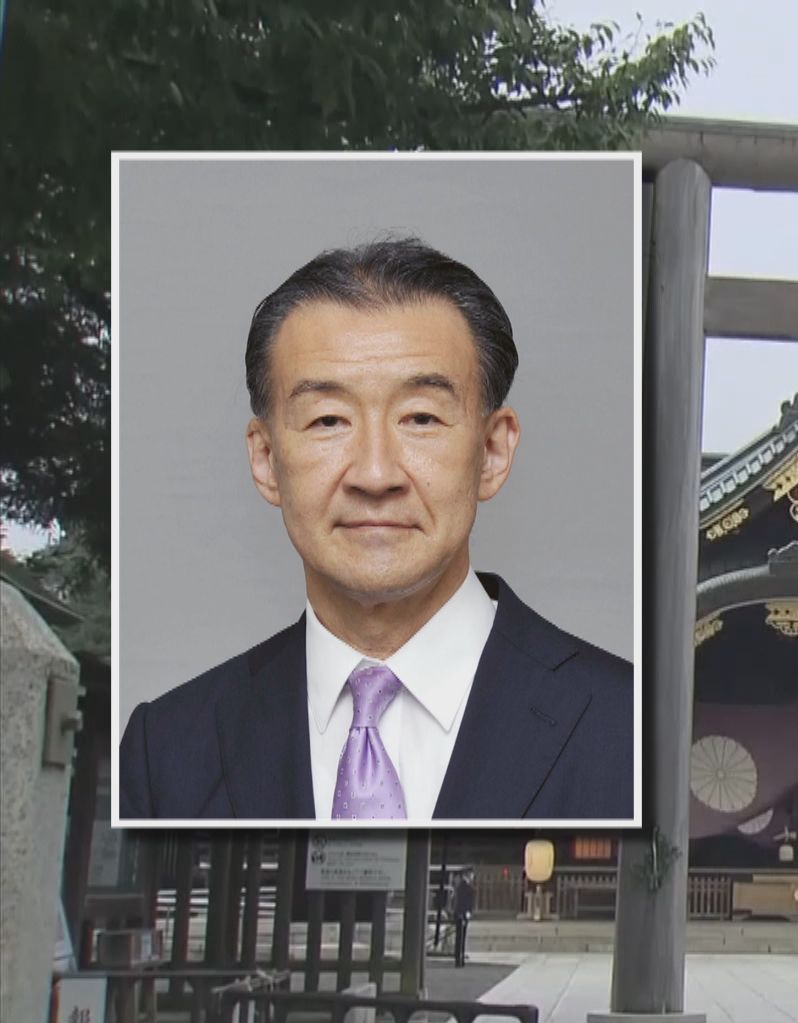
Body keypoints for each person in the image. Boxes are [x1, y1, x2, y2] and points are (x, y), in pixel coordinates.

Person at [117, 237, 633, 821]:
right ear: (265, 461)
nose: (375, 473)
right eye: (328, 420)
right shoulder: (167, 749)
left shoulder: (629, 728)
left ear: (492, 451)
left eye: (420, 418)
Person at [452, 870, 476, 967]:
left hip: (461, 913)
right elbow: (464, 902)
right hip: (462, 913)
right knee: (461, 937)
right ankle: (459, 958)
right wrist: (467, 912)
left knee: (460, 937)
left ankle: (459, 958)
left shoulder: (461, 886)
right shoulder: (464, 887)